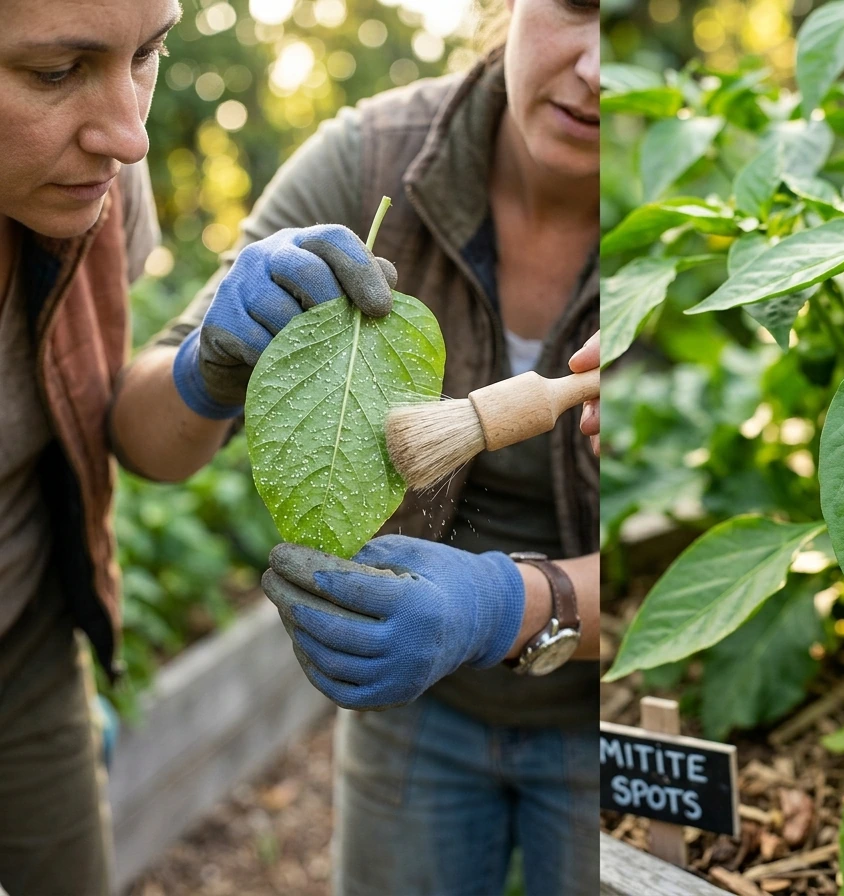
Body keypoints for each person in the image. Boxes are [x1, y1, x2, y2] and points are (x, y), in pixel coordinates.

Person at [144, 0, 601, 892]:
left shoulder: (678, 224)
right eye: (577, 8)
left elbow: (690, 575)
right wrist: (205, 366)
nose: (597, 66)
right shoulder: (370, 162)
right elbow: (146, 444)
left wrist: (504, 605)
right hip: (416, 693)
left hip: (608, 703)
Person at [0, 1, 410, 893]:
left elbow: (123, 430)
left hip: (25, 641)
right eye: (54, 72)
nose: (129, 137)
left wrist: (207, 369)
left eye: (147, 53)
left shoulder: (85, 176)